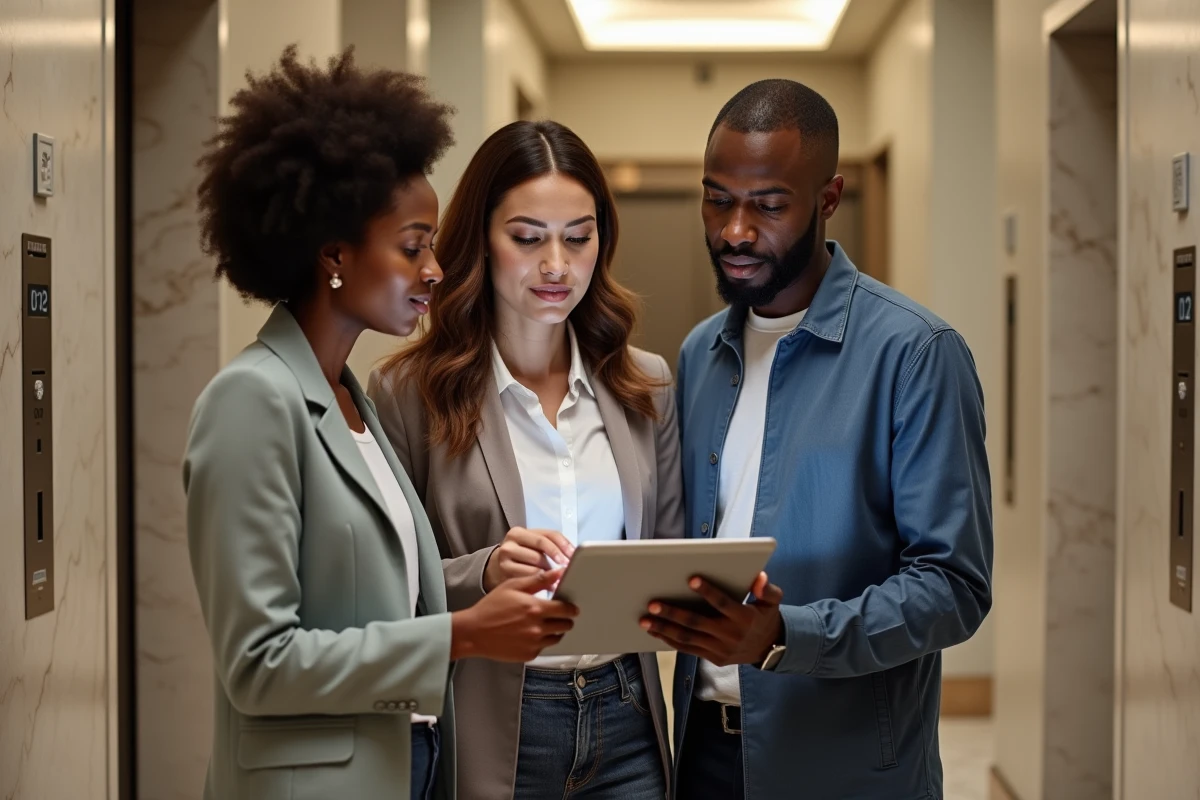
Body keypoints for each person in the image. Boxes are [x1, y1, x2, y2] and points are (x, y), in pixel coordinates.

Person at [184, 47, 577, 800]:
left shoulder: (352, 398)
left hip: (410, 768)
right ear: (334, 255)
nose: (435, 268)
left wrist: (488, 577)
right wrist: (465, 636)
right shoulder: (253, 401)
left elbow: (384, 607)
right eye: (412, 247)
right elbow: (258, 664)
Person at [641, 79, 994, 799]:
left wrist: (783, 636)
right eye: (717, 199)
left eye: (768, 205)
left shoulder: (916, 353)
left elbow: (954, 587)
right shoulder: (699, 353)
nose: (735, 230)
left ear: (828, 200)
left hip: (848, 767)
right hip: (703, 752)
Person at [369, 119, 683, 800]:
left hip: (627, 714)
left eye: (578, 237)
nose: (556, 266)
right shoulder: (408, 393)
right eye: (528, 237)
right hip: (495, 719)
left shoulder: (646, 385)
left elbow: (669, 552)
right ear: (481, 237)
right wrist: (483, 571)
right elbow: (385, 589)